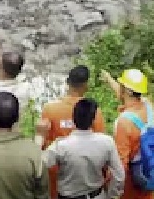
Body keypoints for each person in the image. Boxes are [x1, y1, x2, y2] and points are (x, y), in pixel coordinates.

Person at [35, 67, 106, 199]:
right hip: (87, 175)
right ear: (86, 85)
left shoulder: (50, 109)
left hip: (58, 175)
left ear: (67, 82)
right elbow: (100, 145)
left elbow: (44, 143)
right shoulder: (93, 111)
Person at [41, 99, 124, 199]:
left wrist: (40, 136)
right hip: (97, 195)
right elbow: (119, 175)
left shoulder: (60, 146)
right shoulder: (106, 142)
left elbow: (39, 165)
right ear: (93, 120)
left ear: (73, 119)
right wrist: (112, 195)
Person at [104, 70, 154, 199]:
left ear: (127, 91)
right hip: (147, 178)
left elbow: (120, 166)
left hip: (131, 189)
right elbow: (128, 99)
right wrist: (110, 80)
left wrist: (110, 190)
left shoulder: (124, 123)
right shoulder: (148, 107)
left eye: (121, 84)